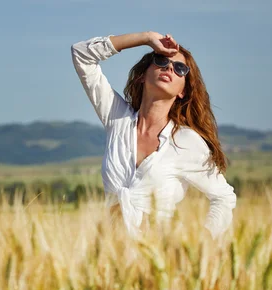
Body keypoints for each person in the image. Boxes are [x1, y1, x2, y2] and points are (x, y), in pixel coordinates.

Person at [70, 31, 237, 239]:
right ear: (142, 75)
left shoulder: (186, 142)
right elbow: (81, 54)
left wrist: (202, 240)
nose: (169, 68)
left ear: (182, 92)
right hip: (110, 255)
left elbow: (224, 198)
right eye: (160, 60)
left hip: (160, 259)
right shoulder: (117, 119)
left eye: (180, 68)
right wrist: (147, 38)